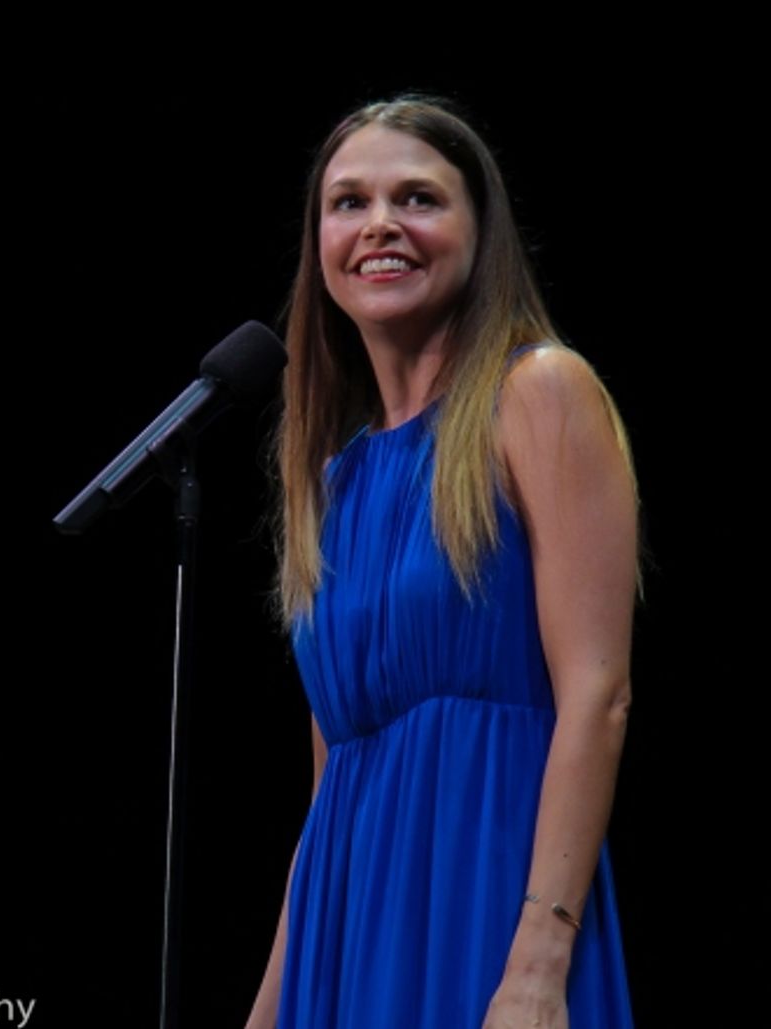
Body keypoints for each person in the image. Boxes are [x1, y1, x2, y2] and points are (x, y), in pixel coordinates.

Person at [244, 96, 639, 1028]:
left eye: (418, 198)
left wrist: (539, 962)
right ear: (319, 247)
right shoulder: (332, 481)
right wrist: (269, 1006)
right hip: (349, 936)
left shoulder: (539, 393)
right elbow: (331, 787)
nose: (380, 223)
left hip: (490, 909)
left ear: (478, 230)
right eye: (349, 203)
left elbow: (599, 695)